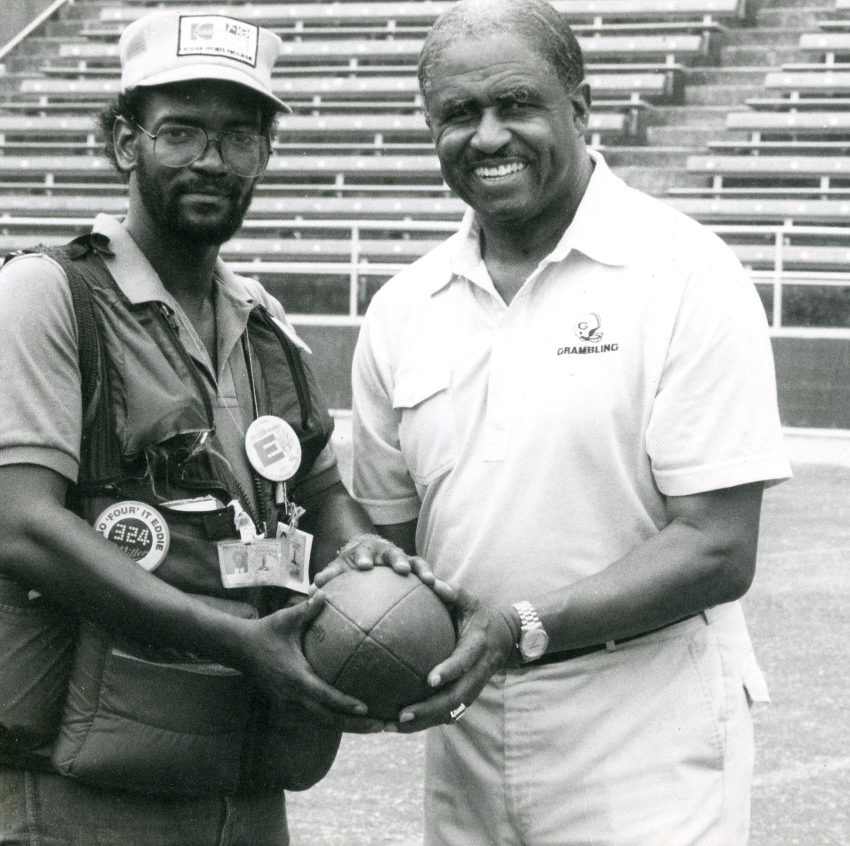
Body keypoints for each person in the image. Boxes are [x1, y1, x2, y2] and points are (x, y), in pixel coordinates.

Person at [339, 0, 793, 843]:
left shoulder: (684, 273)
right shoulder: (404, 308)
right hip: (467, 731)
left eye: (516, 105)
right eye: (458, 115)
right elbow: (389, 545)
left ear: (578, 111)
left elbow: (719, 547)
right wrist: (363, 596)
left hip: (645, 728)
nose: (487, 137)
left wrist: (521, 627)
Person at [0, 10, 400, 845]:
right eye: (181, 130)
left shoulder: (264, 321)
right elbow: (21, 528)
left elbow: (320, 492)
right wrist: (239, 638)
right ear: (127, 143)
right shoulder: (50, 293)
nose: (211, 159)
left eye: (239, 136)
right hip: (86, 778)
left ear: (264, 155)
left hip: (242, 766)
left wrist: (360, 553)